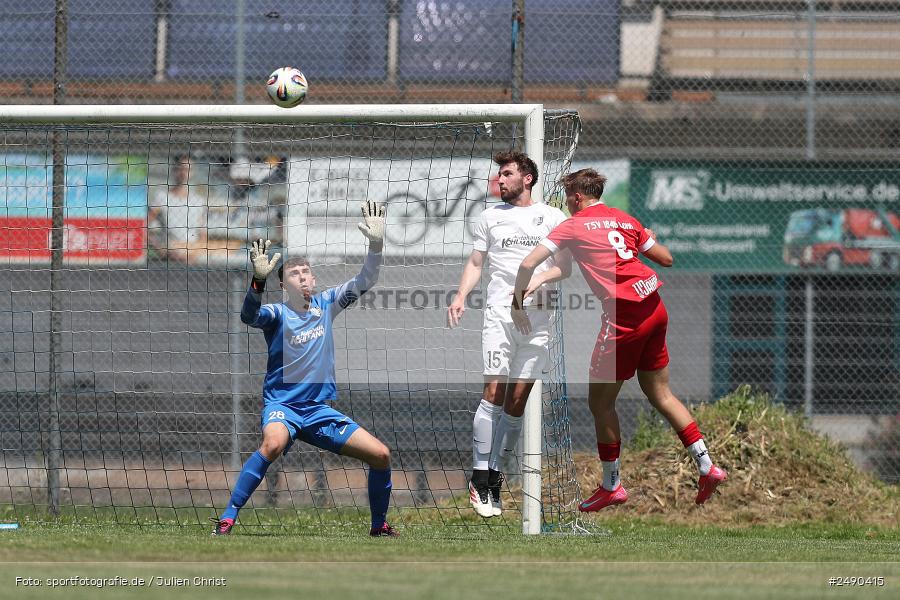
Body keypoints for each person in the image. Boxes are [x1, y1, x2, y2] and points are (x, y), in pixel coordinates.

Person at [511, 168, 727, 511]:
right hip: (655, 307)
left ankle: (612, 484)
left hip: (624, 320)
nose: (567, 205)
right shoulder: (626, 220)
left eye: (568, 199)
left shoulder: (571, 225)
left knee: (600, 403)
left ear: (577, 197)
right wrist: (641, 242)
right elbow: (667, 259)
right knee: (660, 393)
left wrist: (518, 295)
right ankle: (707, 465)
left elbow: (527, 262)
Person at [212, 201, 398, 537]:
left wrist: (375, 244)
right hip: (283, 408)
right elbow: (248, 318)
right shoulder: (277, 313)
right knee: (271, 445)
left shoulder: (328, 304)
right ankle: (227, 517)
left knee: (381, 455)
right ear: (284, 285)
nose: (303, 275)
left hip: (318, 412)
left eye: (306, 271)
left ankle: (378, 526)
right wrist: (256, 281)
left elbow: (367, 277)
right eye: (295, 273)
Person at [447, 151, 572, 517]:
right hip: (500, 316)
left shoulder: (553, 217)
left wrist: (537, 280)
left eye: (506, 174)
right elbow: (475, 263)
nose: (499, 181)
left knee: (517, 403)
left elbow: (563, 267)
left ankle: (496, 477)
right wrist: (460, 295)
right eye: (498, 175)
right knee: (494, 394)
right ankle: (478, 477)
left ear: (527, 178)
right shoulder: (489, 218)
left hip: (538, 321)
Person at [148, 154, 209, 263]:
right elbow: (143, 228)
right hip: (169, 260)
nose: (184, 173)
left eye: (188, 169)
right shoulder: (162, 197)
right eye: (181, 168)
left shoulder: (199, 201)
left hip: (192, 261)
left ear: (192, 172)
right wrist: (162, 251)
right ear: (174, 170)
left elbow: (203, 235)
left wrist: (194, 255)